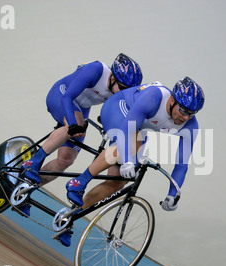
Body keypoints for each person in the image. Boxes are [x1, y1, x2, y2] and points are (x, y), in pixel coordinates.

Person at [62, 77, 205, 246]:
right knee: (132, 144)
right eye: (183, 110)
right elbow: (126, 131)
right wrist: (128, 161)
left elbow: (182, 164)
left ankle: (68, 217)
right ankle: (79, 182)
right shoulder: (154, 97)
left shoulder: (190, 126)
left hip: (139, 128)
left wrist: (173, 194)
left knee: (118, 183)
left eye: (191, 113)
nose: (185, 117)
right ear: (172, 100)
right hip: (119, 107)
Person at [18, 53, 143, 223]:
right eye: (122, 88)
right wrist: (72, 123)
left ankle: (24, 190)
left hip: (82, 109)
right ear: (112, 77)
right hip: (61, 96)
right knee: (75, 123)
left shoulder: (120, 90)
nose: (124, 93)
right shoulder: (97, 70)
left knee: (65, 161)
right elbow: (68, 97)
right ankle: (32, 162)